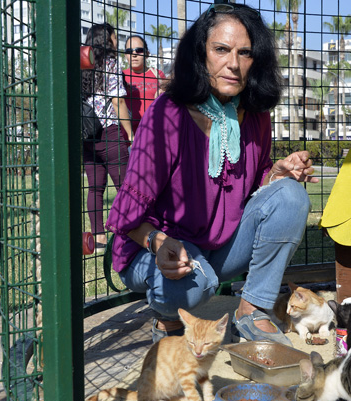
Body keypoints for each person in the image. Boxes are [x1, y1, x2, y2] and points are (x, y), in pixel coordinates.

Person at [105, 3, 318, 345]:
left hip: (217, 248)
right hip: (156, 247)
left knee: (291, 196)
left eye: (245, 53)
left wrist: (275, 176)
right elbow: (126, 216)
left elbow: (249, 193)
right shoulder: (167, 114)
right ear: (200, 55)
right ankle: (167, 317)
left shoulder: (256, 115)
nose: (233, 63)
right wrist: (157, 242)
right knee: (190, 290)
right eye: (221, 49)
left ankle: (252, 309)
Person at [82, 23, 133, 249]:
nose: (116, 41)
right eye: (114, 36)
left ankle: (99, 236)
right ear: (106, 40)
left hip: (88, 135)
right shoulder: (110, 63)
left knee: (95, 188)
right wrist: (130, 132)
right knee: (126, 187)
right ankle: (129, 232)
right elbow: (118, 101)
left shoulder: (83, 66)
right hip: (110, 133)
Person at [122, 35, 167, 133]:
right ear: (125, 55)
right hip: (128, 135)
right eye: (129, 51)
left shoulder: (158, 75)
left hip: (154, 131)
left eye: (139, 50)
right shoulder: (120, 76)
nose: (134, 54)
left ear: (147, 54)